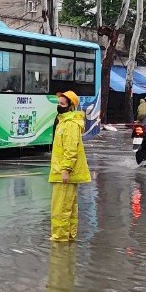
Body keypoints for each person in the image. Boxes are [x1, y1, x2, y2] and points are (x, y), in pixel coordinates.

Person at [49, 90, 91, 242]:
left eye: (62, 104)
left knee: (61, 208)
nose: (59, 106)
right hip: (61, 172)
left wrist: (66, 170)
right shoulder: (64, 122)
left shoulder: (71, 124)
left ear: (70, 106)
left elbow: (71, 149)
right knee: (68, 207)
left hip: (63, 174)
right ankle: (68, 236)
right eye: (58, 103)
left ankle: (60, 238)